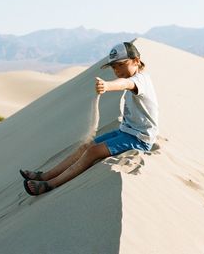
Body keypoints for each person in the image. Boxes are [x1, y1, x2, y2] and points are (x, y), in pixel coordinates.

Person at [21, 42, 159, 196]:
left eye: (121, 64)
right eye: (114, 67)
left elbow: (126, 83)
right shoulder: (134, 78)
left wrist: (107, 86)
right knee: (86, 146)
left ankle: (50, 184)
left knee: (93, 151)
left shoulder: (141, 79)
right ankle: (45, 175)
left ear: (136, 61)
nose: (117, 70)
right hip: (125, 132)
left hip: (140, 139)